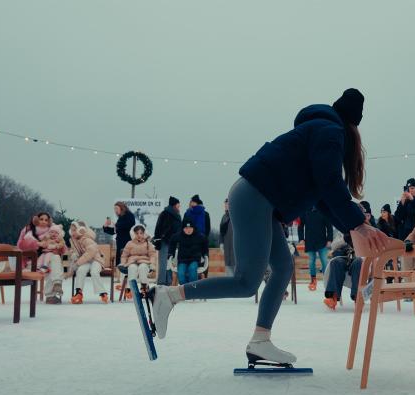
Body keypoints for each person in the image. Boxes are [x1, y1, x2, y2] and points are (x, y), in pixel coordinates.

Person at [151, 88, 389, 366]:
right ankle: (168, 295)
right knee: (246, 282)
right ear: (353, 125)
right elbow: (330, 183)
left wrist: (353, 227)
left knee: (283, 267)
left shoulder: (319, 129)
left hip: (259, 200)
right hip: (256, 197)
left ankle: (260, 340)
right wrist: (358, 223)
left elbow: (324, 198)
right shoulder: (330, 132)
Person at [17, 213, 66, 304]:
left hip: (47, 262)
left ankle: (56, 285)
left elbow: (63, 249)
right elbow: (21, 246)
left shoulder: (53, 231)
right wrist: (37, 244)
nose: (43, 221)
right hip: (32, 262)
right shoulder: (29, 230)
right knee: (53, 264)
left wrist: (56, 247)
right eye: (41, 219)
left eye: (46, 220)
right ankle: (50, 294)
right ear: (36, 220)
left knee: (55, 258)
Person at [69, 220, 109, 304]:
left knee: (94, 272)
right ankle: (78, 292)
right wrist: (73, 254)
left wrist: (78, 263)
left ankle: (102, 292)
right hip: (85, 261)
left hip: (96, 260)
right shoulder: (73, 241)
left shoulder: (87, 239)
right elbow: (73, 250)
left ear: (80, 230)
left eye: (74, 230)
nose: (72, 232)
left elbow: (90, 253)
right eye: (71, 230)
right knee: (80, 271)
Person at [298, 206, 334, 291]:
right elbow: (300, 226)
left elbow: (329, 226)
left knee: (324, 261)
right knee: (311, 261)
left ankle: (327, 280)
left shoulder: (323, 211)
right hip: (310, 241)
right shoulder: (305, 210)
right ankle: (313, 280)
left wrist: (329, 239)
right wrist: (301, 239)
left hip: (322, 241)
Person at [118, 225, 157, 299]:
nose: (139, 235)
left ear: (144, 233)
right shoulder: (130, 243)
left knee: (142, 268)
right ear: (134, 234)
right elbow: (124, 255)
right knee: (132, 268)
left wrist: (152, 263)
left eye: (141, 233)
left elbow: (152, 255)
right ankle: (130, 289)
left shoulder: (148, 243)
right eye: (137, 233)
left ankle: (144, 288)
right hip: (132, 261)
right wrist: (123, 263)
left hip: (144, 261)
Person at [323, 237, 362, 310]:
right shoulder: (343, 230)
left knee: (358, 262)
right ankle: (332, 297)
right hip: (344, 256)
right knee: (336, 262)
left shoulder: (366, 230)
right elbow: (333, 246)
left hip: (359, 255)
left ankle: (358, 297)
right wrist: (345, 239)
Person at [167, 219, 209, 285]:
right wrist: (170, 253)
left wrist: (205, 253)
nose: (188, 230)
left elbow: (205, 242)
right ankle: (185, 289)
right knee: (181, 275)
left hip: (194, 259)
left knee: (192, 271)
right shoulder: (179, 235)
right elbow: (172, 241)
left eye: (190, 228)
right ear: (183, 229)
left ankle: (192, 289)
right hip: (182, 260)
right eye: (186, 228)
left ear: (193, 228)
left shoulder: (199, 236)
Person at [153, 197, 182, 285]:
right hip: (164, 241)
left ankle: (169, 281)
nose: (179, 206)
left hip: (173, 242)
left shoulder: (177, 215)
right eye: (178, 205)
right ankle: (162, 282)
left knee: (170, 263)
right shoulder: (164, 214)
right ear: (174, 205)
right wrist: (157, 239)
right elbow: (158, 227)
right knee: (163, 263)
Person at [103, 201, 136, 266]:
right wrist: (105, 227)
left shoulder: (129, 215)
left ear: (122, 208)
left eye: (116, 208)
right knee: (120, 260)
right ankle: (119, 272)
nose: (115, 211)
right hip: (120, 242)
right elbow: (115, 231)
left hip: (127, 242)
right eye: (114, 209)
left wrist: (116, 225)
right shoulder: (120, 218)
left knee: (125, 260)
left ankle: (124, 273)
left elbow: (129, 225)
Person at [219, 198, 235, 276]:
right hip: (227, 246)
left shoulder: (237, 216)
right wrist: (221, 243)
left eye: (227, 204)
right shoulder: (224, 217)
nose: (225, 206)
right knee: (228, 268)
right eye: (225, 204)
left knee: (235, 267)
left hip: (235, 247)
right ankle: (230, 285)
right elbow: (221, 232)